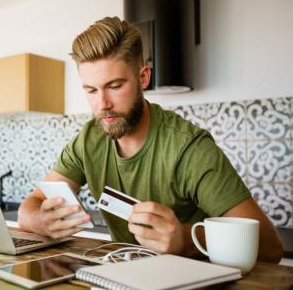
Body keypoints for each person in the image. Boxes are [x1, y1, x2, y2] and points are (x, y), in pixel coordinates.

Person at [18, 16, 284, 262]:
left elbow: (271, 246)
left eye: (115, 86)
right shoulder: (88, 140)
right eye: (91, 90)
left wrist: (187, 239)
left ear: (143, 77)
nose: (103, 104)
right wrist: (41, 220)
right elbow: (29, 207)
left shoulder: (188, 148)